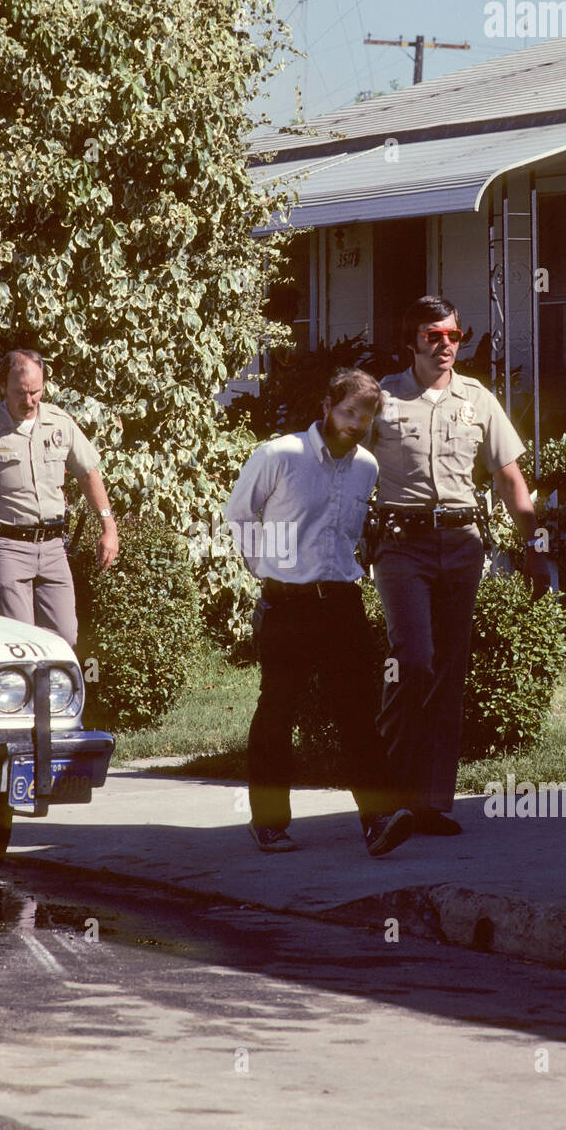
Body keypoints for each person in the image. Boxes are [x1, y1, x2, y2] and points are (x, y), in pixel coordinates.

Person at [371, 296, 550, 837]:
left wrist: (536, 548)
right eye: (433, 336)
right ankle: (387, 796)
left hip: (462, 544)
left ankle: (430, 805)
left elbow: (511, 480)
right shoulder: (383, 398)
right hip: (402, 546)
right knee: (414, 659)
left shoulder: (478, 400)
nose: (445, 345)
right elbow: (344, 464)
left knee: (449, 671)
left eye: (453, 335)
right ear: (413, 341)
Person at [225, 367, 413, 858]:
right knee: (277, 712)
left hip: (343, 604)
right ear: (327, 406)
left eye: (365, 417)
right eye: (349, 412)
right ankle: (268, 823)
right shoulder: (280, 455)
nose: (355, 424)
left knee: (356, 714)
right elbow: (240, 515)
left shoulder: (366, 467)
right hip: (287, 604)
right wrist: (267, 569)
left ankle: (378, 820)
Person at [0, 349, 118, 649]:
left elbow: (89, 474)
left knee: (65, 640)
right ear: (2, 387)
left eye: (35, 392)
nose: (28, 401)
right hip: (6, 548)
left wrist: (109, 527)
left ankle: (53, 698)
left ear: (44, 385)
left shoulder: (60, 423)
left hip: (53, 549)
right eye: (19, 393)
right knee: (19, 644)